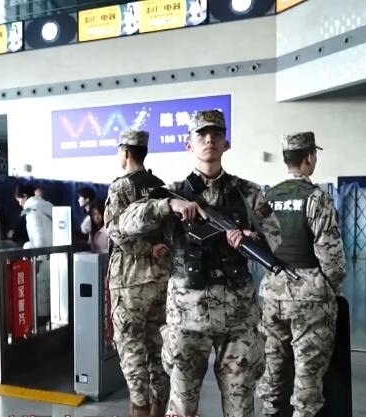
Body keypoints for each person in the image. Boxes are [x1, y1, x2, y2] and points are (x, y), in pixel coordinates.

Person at [117, 110, 281, 417]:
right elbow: (124, 224)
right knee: (181, 409)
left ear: (226, 143)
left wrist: (252, 238)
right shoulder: (171, 191)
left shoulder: (248, 193)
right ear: (188, 144)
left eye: (217, 134)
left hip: (238, 318)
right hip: (186, 318)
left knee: (241, 409)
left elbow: (275, 239)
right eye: (201, 134)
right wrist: (168, 205)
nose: (209, 140)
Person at [257, 132, 346, 417]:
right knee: (307, 383)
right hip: (309, 297)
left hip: (272, 294)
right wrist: (330, 288)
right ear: (309, 158)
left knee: (272, 375)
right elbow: (330, 255)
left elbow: (262, 245)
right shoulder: (316, 198)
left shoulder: (268, 197)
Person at [103, 130, 170, 417]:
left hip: (129, 281)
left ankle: (140, 410)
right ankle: (159, 409)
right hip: (161, 279)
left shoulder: (121, 187)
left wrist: (145, 248)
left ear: (126, 153)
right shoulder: (159, 186)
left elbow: (115, 230)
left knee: (131, 350)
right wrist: (157, 249)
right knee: (158, 349)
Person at [12, 184, 54, 325]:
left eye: (19, 200)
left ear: (25, 196)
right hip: (55, 258)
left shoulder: (32, 212)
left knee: (41, 301)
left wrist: (37, 260)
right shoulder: (46, 207)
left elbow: (39, 240)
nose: (19, 203)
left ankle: (41, 329)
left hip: (43, 261)